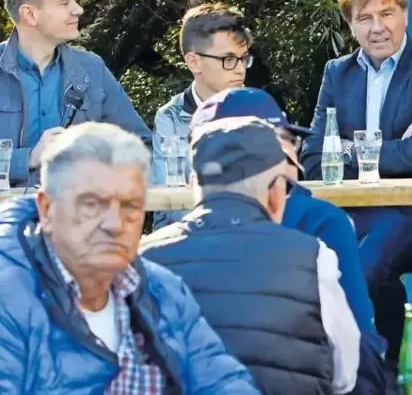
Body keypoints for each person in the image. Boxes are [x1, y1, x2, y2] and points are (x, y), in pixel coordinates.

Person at [299, 0, 412, 387]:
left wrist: (351, 150)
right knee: (300, 258)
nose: (377, 27)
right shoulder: (337, 73)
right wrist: (382, 148)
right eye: (365, 18)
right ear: (349, 24)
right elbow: (315, 158)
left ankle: (384, 376)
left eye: (387, 14)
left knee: (367, 265)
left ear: (405, 15)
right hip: (356, 209)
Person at [0, 122, 259, 393]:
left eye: (130, 206)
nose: (114, 223)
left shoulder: (162, 291)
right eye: (92, 204)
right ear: (47, 209)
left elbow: (224, 383)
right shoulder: (9, 297)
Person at [140, 116, 360, 395]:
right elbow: (346, 373)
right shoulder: (314, 257)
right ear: (275, 192)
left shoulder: (144, 258)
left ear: (193, 185)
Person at [188, 87, 387, 394]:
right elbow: (358, 350)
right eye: (286, 139)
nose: (294, 151)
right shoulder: (319, 220)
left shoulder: (159, 248)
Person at [0, 0, 151, 188]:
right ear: (30, 14)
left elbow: (142, 146)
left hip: (81, 218)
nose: (78, 9)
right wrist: (29, 157)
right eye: (64, 2)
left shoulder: (92, 69)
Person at [151, 2, 253, 229]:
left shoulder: (257, 109)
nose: (240, 69)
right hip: (187, 237)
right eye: (228, 59)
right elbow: (169, 202)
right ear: (193, 61)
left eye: (243, 58)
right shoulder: (171, 118)